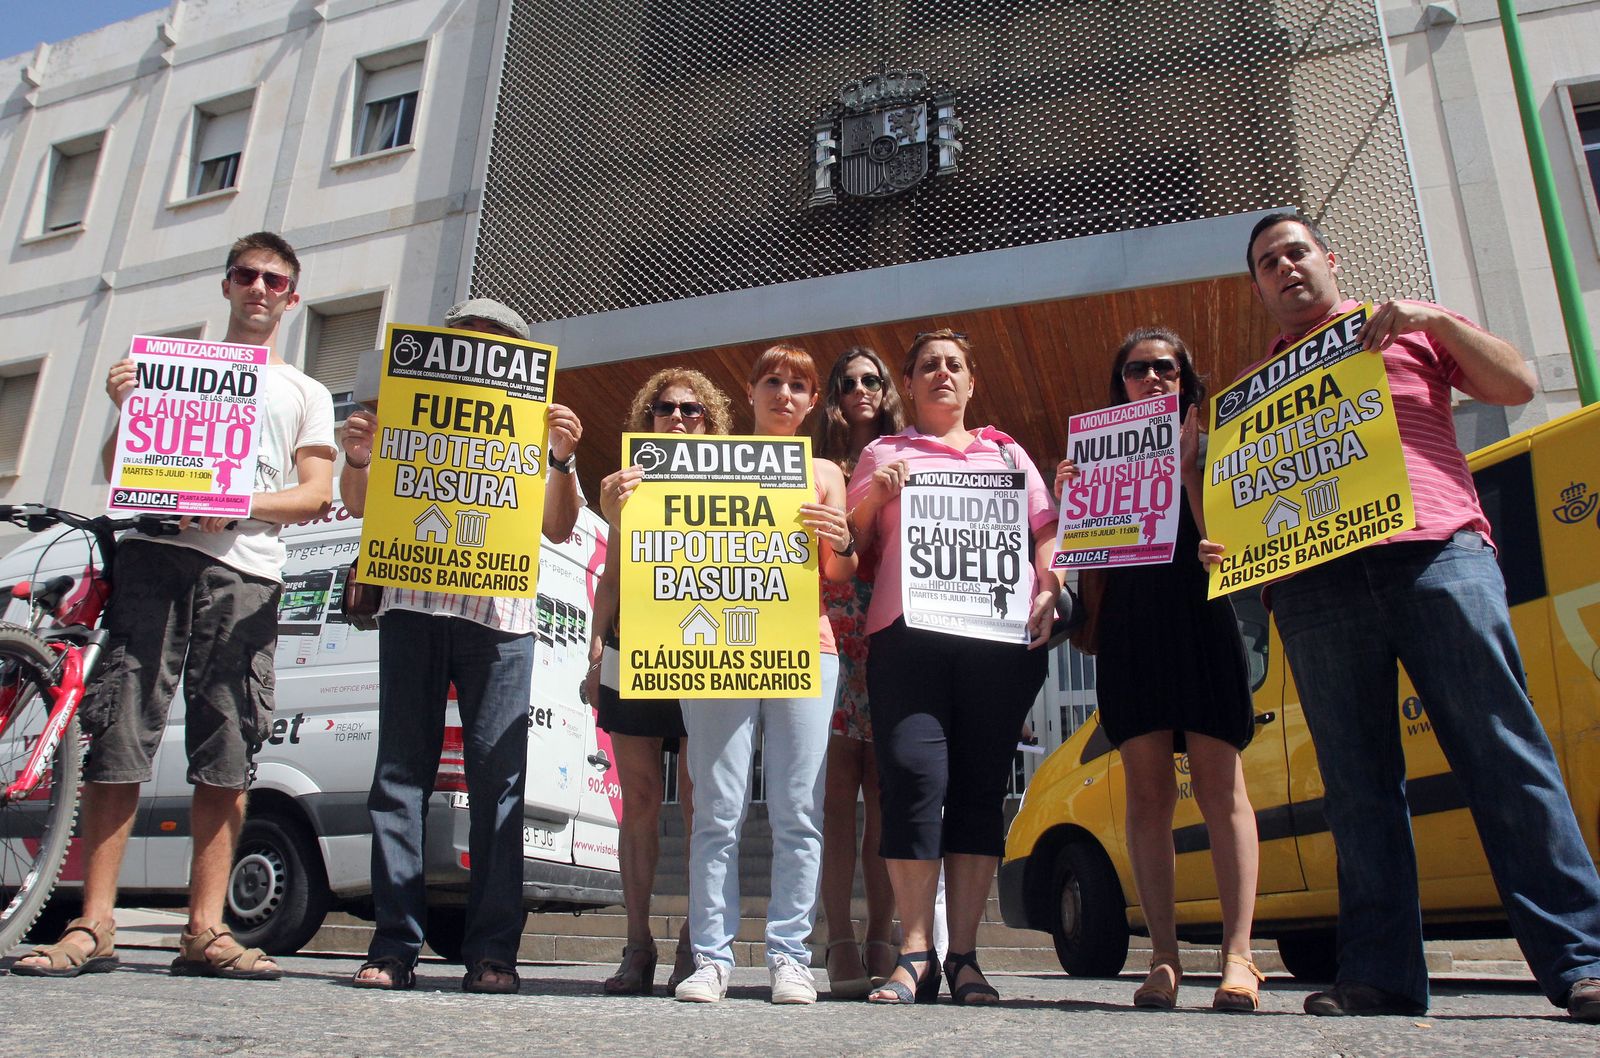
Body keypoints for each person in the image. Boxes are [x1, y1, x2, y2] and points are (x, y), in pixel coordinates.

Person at [1201, 210, 1600, 1020]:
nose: (1284, 268)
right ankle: (1380, 976)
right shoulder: (1251, 394)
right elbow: (1244, 509)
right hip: (1314, 591)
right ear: (1257, 288)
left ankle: (1580, 959)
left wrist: (1430, 316)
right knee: (1355, 787)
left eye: (1295, 252)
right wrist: (1232, 551)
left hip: (1437, 556)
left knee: (1504, 754)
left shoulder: (1408, 331)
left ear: (1329, 259)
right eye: (1267, 263)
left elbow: (1516, 385)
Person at [16, 232, 336, 980]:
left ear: (292, 297)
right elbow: (114, 471)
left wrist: (234, 504)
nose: (260, 289)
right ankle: (94, 924)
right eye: (247, 275)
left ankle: (206, 929)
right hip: (153, 559)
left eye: (275, 280)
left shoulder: (305, 392)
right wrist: (126, 406)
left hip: (246, 572)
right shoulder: (168, 369)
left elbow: (316, 493)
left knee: (230, 747)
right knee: (118, 731)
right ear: (227, 285)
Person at [338, 298, 584, 994]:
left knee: (498, 786)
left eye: (495, 342)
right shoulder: (404, 410)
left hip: (501, 620)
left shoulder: (535, 429)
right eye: (466, 339)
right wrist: (359, 457)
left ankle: (493, 954)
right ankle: (393, 947)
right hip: (413, 606)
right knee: (399, 778)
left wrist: (561, 461)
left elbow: (561, 529)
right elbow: (359, 504)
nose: (479, 351)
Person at [846, 328, 1060, 1005]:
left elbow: (1047, 530)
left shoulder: (1007, 452)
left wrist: (1049, 584)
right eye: (928, 366)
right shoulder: (883, 451)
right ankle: (915, 953)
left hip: (993, 643)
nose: (943, 374)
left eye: (955, 365)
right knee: (910, 776)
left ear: (972, 383)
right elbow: (848, 537)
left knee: (976, 790)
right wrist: (877, 495)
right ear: (906, 385)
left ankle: (964, 956)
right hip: (907, 639)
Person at [1055, 327, 1262, 1011]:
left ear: (1186, 379)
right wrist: (1073, 507)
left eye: (1165, 369)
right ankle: (1164, 957)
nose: (1151, 379)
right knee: (1146, 793)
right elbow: (1086, 566)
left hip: (1202, 617)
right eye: (1137, 370)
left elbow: (1231, 540)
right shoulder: (1100, 455)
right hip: (1132, 629)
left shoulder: (1215, 442)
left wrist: (1187, 477)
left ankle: (1239, 956)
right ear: (1119, 385)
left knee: (1218, 784)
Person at [673, 344, 857, 1005]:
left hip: (807, 644)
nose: (783, 393)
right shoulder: (706, 465)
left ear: (813, 402)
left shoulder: (829, 472)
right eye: (771, 381)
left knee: (798, 810)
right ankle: (712, 959)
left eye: (797, 385)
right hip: (720, 645)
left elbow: (839, 574)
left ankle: (789, 958)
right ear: (749, 393)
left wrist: (838, 536)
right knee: (716, 810)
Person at [585, 367, 731, 995]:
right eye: (665, 409)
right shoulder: (625, 485)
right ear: (647, 419)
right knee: (640, 802)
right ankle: (637, 943)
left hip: (707, 650)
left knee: (704, 803)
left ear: (712, 421)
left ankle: (696, 940)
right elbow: (612, 576)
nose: (677, 418)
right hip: (632, 647)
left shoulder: (736, 480)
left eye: (692, 410)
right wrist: (594, 646)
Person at [811, 348, 905, 998]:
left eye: (873, 380)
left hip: (893, 629)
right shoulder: (818, 467)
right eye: (849, 382)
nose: (862, 390)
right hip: (828, 624)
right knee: (837, 794)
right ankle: (839, 935)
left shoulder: (908, 457)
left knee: (885, 795)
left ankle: (883, 932)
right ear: (835, 396)